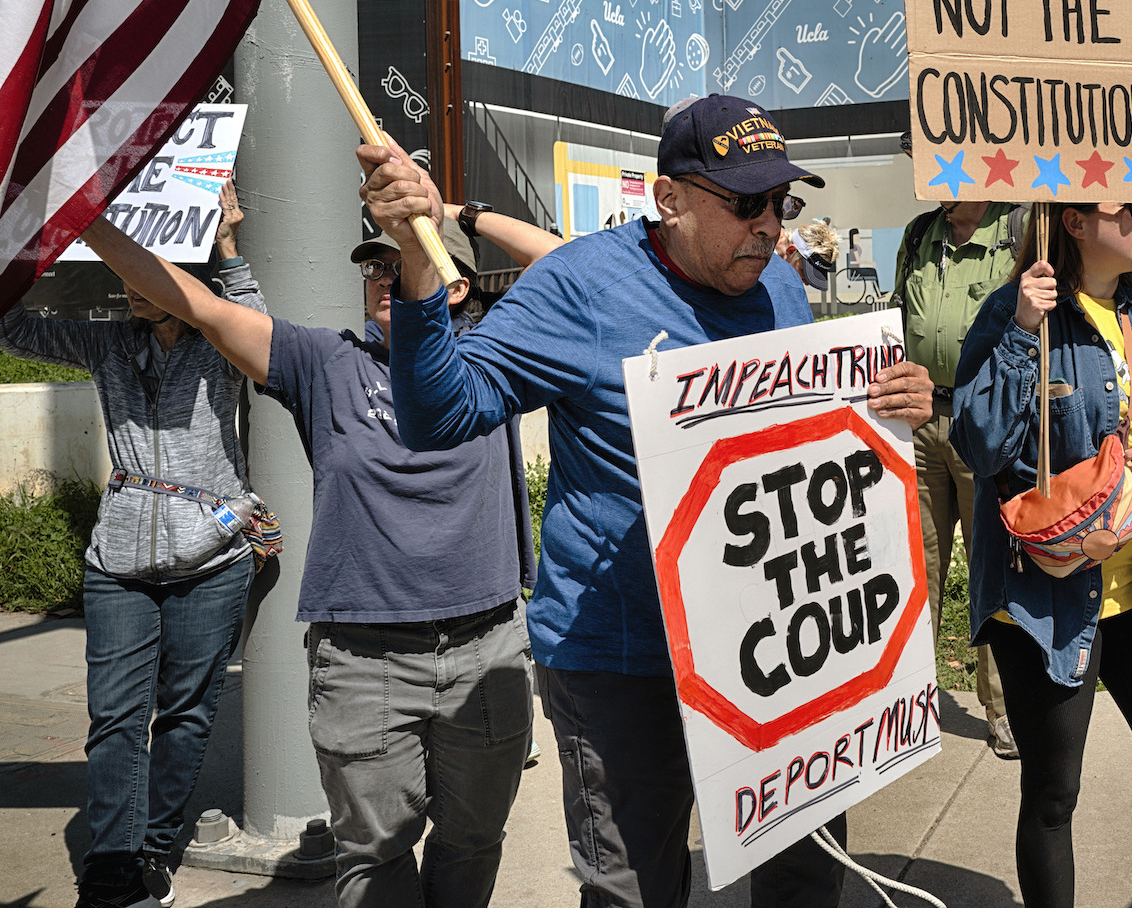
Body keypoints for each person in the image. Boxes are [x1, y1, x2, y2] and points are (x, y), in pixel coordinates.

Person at [358, 94, 935, 908]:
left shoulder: (781, 290)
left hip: (775, 645)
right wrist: (418, 269)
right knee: (635, 887)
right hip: (622, 656)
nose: (771, 226)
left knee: (805, 874)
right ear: (669, 199)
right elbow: (440, 415)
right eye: (745, 204)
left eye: (783, 202)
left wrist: (892, 402)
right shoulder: (579, 286)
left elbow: (814, 444)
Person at [76, 197, 540, 908]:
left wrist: (458, 213)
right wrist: (83, 219)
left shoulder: (499, 354)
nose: (385, 275)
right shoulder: (324, 363)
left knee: (473, 842)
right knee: (373, 855)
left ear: (458, 286)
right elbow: (198, 304)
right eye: (375, 265)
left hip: (488, 648)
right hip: (365, 661)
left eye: (405, 259)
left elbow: (577, 269)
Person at [952, 200, 1132, 908]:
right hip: (1043, 604)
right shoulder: (1014, 311)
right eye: (1127, 209)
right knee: (1052, 794)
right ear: (1075, 223)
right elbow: (980, 446)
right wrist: (1022, 333)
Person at [1, 187, 261, 908]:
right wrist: (25, 240)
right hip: (117, 564)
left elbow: (265, 330)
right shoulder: (104, 340)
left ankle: (154, 847)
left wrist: (230, 247)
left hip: (212, 562)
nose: (134, 285)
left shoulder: (221, 341)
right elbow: (12, 326)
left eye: (153, 271)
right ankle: (112, 863)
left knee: (186, 712)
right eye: (128, 271)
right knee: (114, 717)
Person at [890, 187, 1027, 759]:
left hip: (984, 424)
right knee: (915, 566)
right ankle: (912, 707)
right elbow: (897, 317)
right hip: (917, 423)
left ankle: (1004, 710)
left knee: (993, 568)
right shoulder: (920, 233)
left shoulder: (1018, 229)